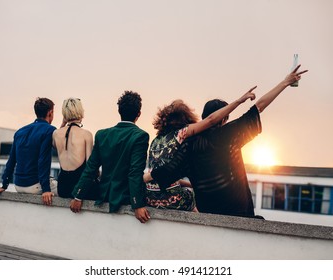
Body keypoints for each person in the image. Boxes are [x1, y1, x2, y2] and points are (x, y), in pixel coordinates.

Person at [146, 65, 308, 217]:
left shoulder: (189, 144)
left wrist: (138, 179)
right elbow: (260, 106)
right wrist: (285, 82)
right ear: (224, 118)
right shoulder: (230, 134)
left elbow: (167, 171)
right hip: (238, 213)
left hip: (208, 215)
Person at [145, 87, 257, 211]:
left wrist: (147, 177)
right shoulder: (181, 134)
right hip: (170, 199)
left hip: (150, 197)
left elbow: (170, 173)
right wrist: (239, 101)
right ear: (186, 118)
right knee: (192, 197)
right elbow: (211, 120)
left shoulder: (156, 140)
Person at [69, 91, 151, 223]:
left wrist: (78, 196)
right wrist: (138, 204)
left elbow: (91, 168)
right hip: (124, 197)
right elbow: (134, 173)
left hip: (103, 195)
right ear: (139, 114)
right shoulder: (141, 136)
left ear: (119, 111)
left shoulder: (102, 135)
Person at [0, 97, 57, 206]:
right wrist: (46, 189)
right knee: (67, 190)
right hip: (35, 186)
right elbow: (43, 161)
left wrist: (4, 185)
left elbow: (11, 161)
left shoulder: (20, 131)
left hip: (18, 185)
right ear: (50, 112)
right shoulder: (49, 130)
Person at [52, 98, 97, 199]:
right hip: (78, 187)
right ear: (80, 112)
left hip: (63, 187)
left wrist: (63, 123)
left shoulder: (56, 133)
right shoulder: (86, 134)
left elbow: (54, 145)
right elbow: (89, 167)